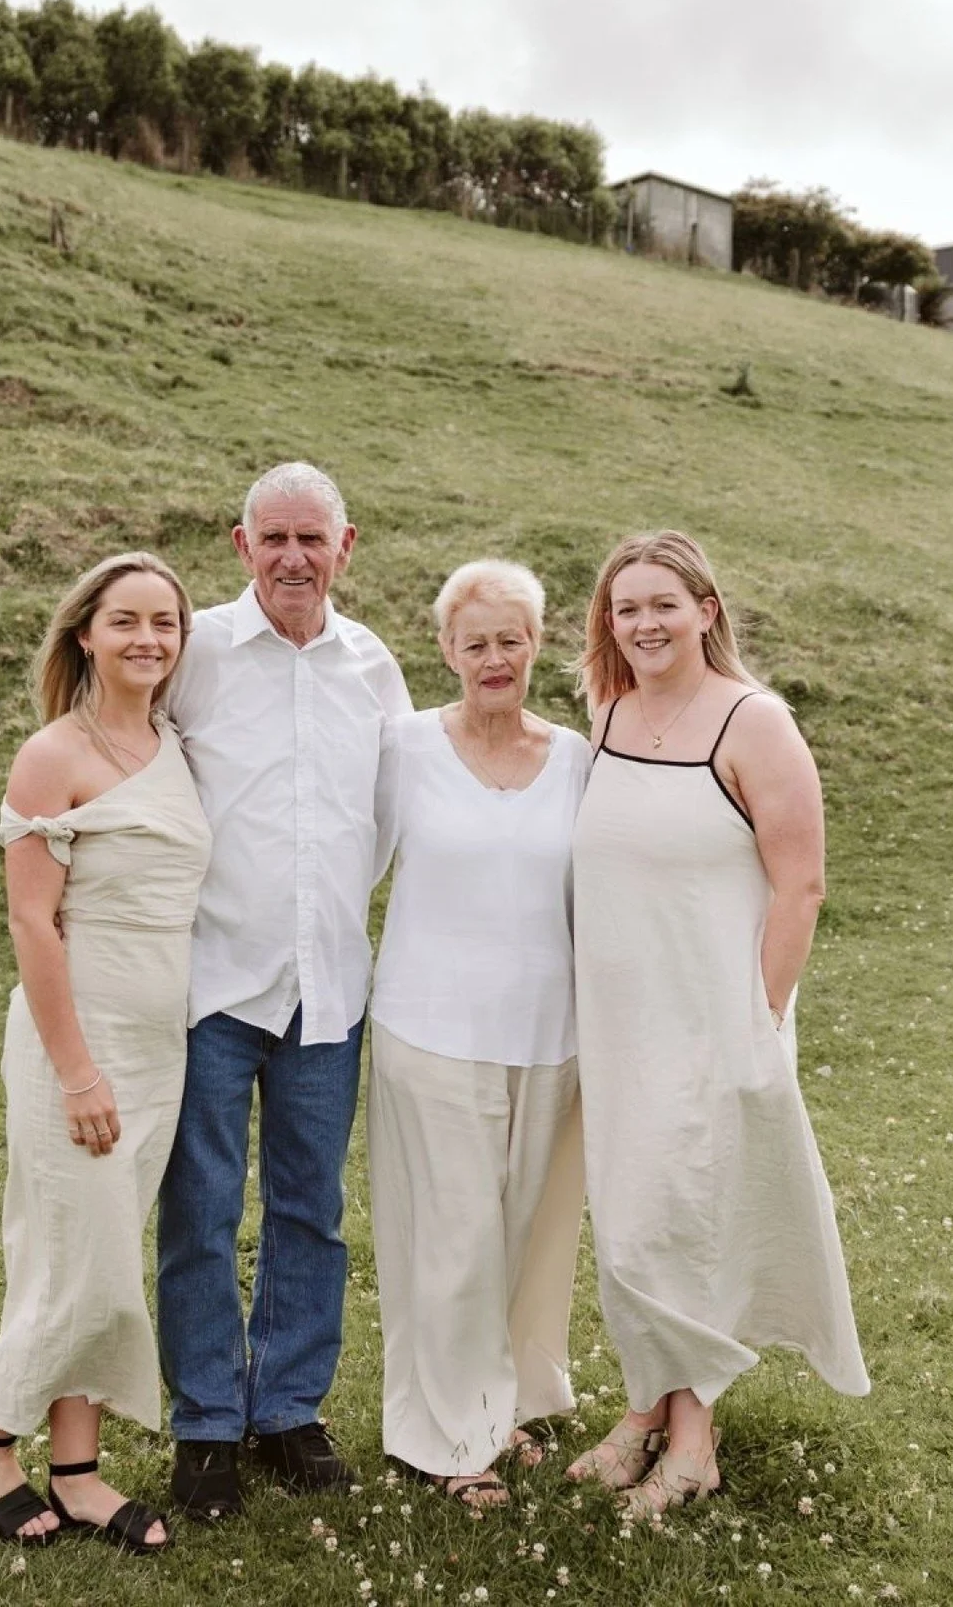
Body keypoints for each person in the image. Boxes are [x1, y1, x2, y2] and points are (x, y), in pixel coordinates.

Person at [568, 530, 868, 1521]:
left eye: (665, 603)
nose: (645, 623)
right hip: (619, 1018)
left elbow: (803, 884)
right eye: (626, 608)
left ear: (706, 608)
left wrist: (760, 1022)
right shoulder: (607, 713)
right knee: (628, 1216)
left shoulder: (754, 721)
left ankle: (692, 1442)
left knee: (679, 1215)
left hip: (714, 1019)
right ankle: (648, 1406)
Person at [157, 462, 412, 1520]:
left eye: (315, 539)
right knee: (203, 1210)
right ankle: (208, 1424)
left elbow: (389, 817)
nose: (296, 558)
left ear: (346, 547)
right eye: (276, 539)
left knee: (313, 1208)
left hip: (329, 987)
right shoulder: (196, 652)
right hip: (213, 981)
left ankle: (290, 1410)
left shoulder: (374, 666)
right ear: (241, 545)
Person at [0, 552, 211, 1554]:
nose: (148, 639)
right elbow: (32, 923)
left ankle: (80, 1474)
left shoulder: (174, 743)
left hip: (160, 1047)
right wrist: (77, 1070)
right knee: (78, 1265)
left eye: (166, 625)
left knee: (105, 1257)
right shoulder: (53, 754)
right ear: (85, 634)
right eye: (127, 621)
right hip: (81, 1044)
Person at [367, 561, 589, 1510]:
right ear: (446, 650)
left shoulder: (579, 756)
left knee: (532, 1227)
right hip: (431, 1025)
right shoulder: (404, 747)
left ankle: (509, 1404)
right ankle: (448, 1437)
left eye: (512, 639)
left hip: (551, 1029)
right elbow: (351, 866)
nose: (494, 658)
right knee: (454, 1232)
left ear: (537, 645)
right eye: (476, 642)